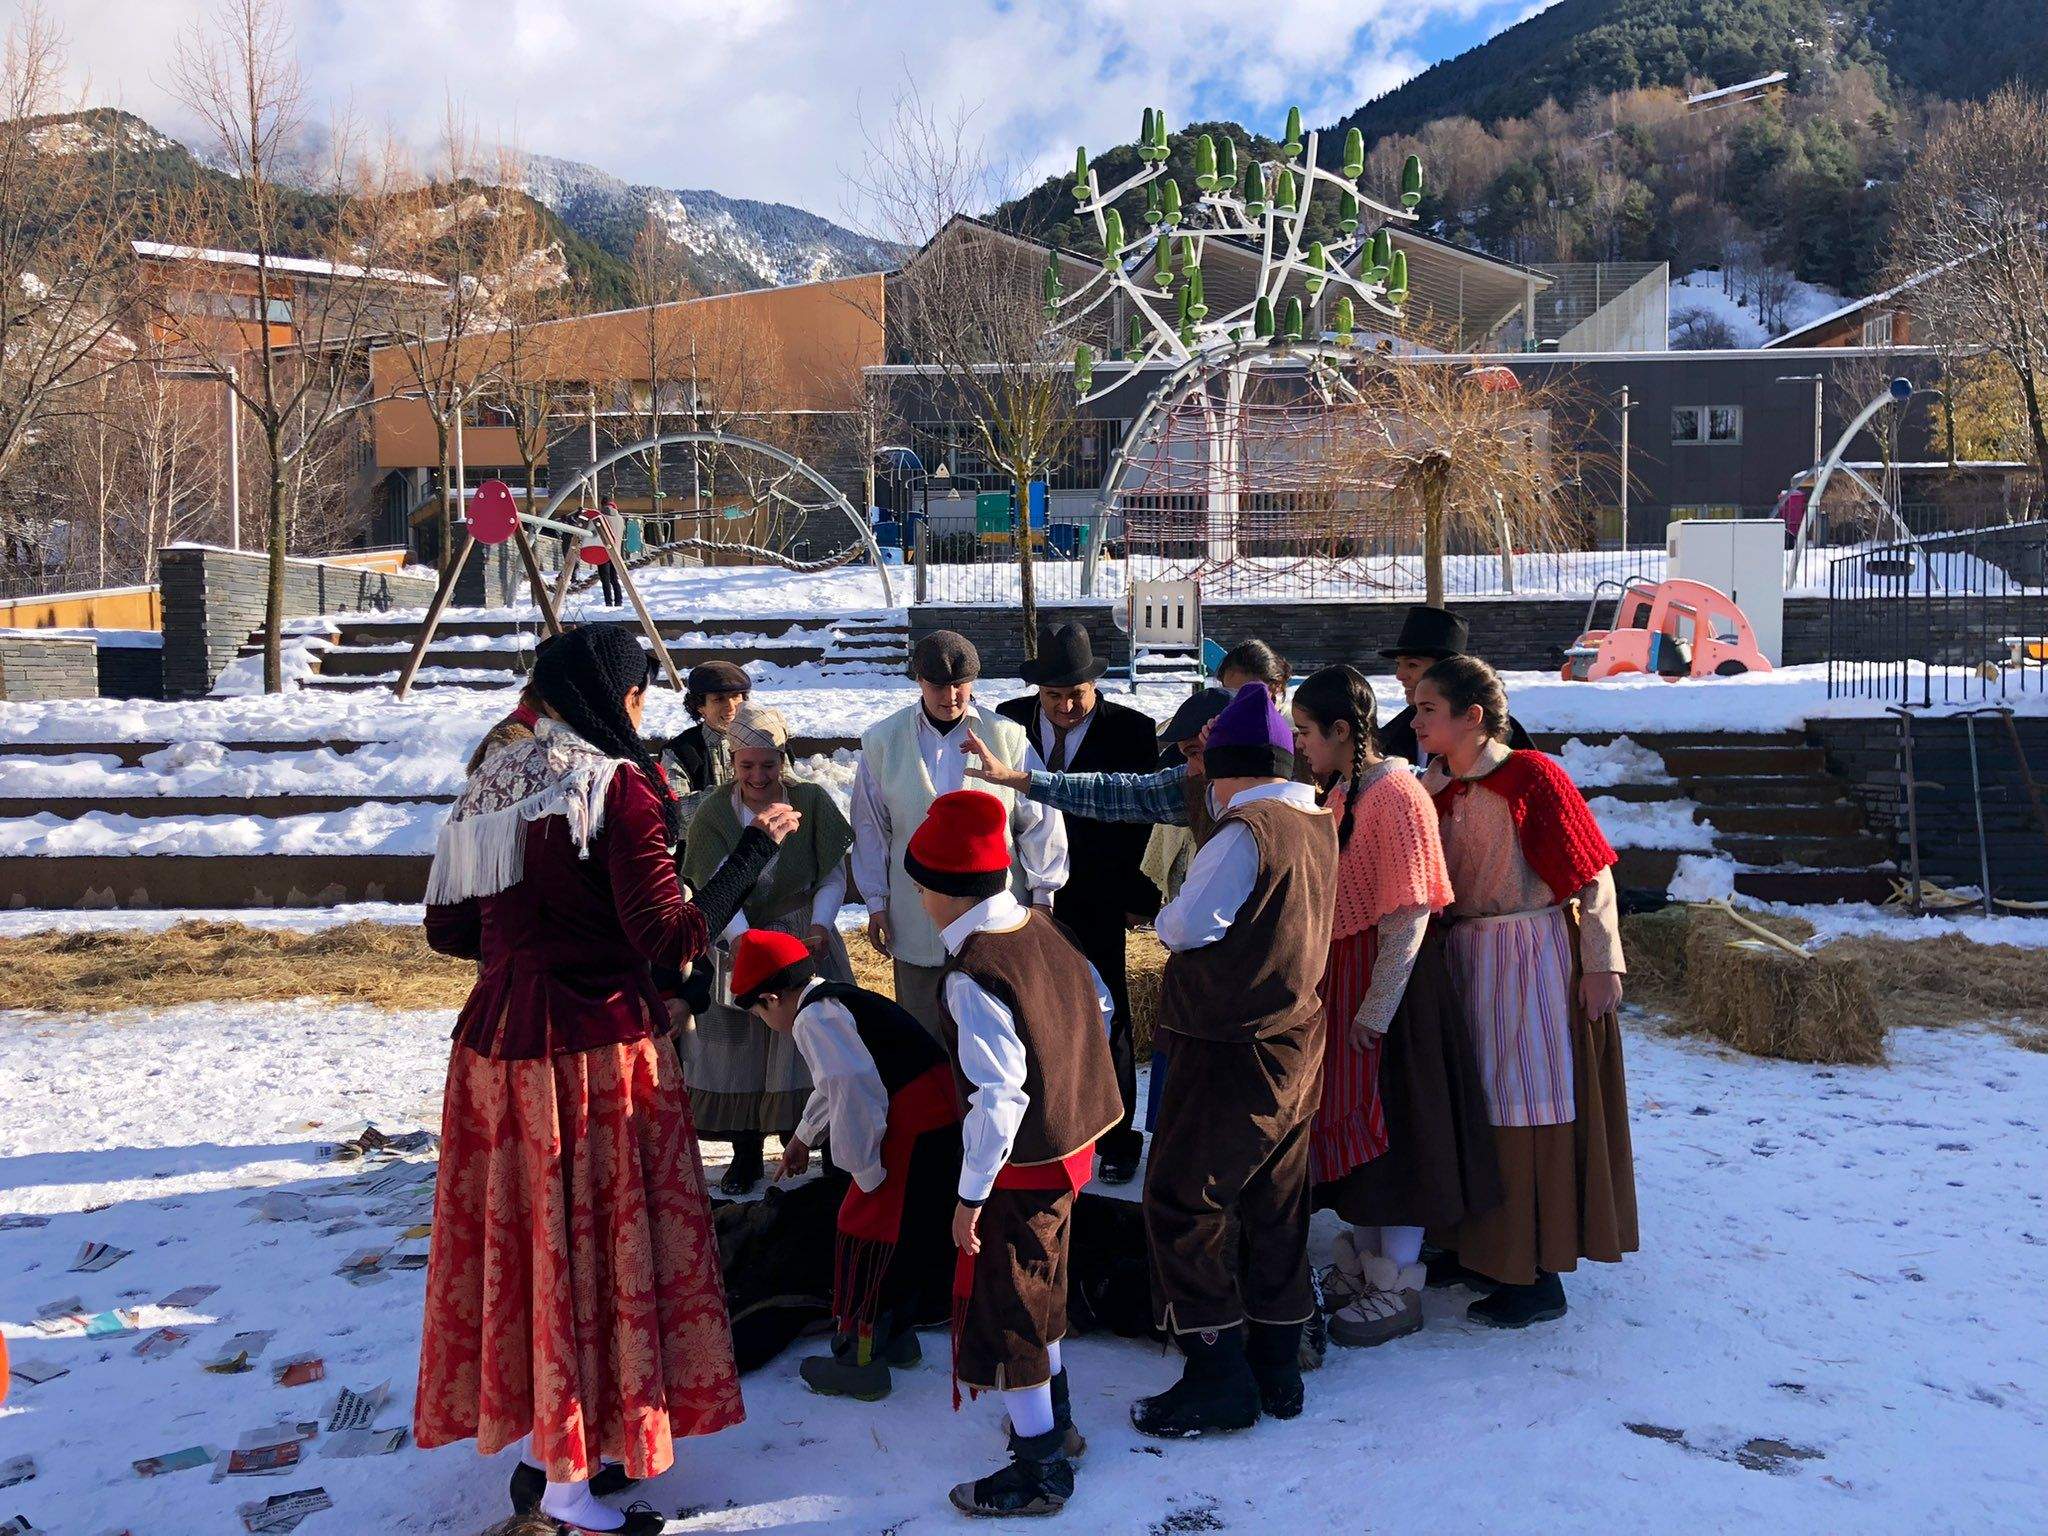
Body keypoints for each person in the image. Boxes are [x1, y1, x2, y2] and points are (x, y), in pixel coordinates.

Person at [416, 623, 800, 1535]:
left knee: (533, 1258)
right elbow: (668, 936)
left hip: (496, 1054)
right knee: (593, 1260)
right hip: (591, 1054)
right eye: (636, 696)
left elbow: (447, 930)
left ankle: (546, 1447)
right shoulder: (615, 787)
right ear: (609, 697)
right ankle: (569, 1488)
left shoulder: (495, 781)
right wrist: (749, 856)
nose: (641, 713)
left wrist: (532, 933)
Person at [1130, 683, 1337, 1439]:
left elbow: (1188, 925)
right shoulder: (1315, 816)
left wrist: (1162, 914)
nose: (1205, 786)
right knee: (1275, 1204)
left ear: (1236, 768)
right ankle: (1278, 1365)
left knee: (1186, 1202)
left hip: (1229, 1047)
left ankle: (1217, 1374)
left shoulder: (1248, 829)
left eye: (1210, 770)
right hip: (1293, 1042)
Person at [908, 789, 1121, 1518]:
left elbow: (998, 1098)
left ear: (937, 889)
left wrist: (969, 1196)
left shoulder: (972, 973)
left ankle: (1039, 1471)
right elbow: (1101, 1006)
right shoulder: (1046, 928)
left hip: (1022, 1166)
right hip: (1073, 1146)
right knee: (1044, 1284)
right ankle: (1054, 1428)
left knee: (1013, 1306)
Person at [1413, 655, 1638, 1328]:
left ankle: (1534, 1271)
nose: (1416, 718)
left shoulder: (1531, 777)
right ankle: (1474, 1246)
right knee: (1471, 1103)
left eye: (1428, 708)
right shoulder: (1433, 786)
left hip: (1529, 955)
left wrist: (1602, 963)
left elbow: (1593, 875)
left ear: (1471, 717)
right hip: (1464, 956)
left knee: (1524, 1110)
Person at [1288, 666, 1500, 1348]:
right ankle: (1366, 1264)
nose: (1300, 746)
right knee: (1361, 1131)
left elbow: (1407, 914)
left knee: (1400, 1126)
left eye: (1306, 733)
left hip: (1396, 990)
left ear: (1343, 731)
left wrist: (1377, 1011)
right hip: (1354, 984)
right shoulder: (1348, 791)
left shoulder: (1396, 795)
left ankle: (1399, 1281)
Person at [731, 927, 962, 1402]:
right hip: (937, 1120)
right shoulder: (834, 1001)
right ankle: (897, 1336)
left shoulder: (812, 1020)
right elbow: (834, 1085)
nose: (762, 1021)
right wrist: (802, 1137)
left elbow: (854, 1086)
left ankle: (859, 1362)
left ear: (773, 998)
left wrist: (863, 1169)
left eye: (757, 1012)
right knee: (905, 1231)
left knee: (862, 1230)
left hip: (911, 1124)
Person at [996, 621, 1159, 1185]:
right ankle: (1040, 1125)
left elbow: (1143, 819)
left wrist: (1134, 892)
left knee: (1106, 1009)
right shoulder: (1007, 721)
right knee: (1024, 1009)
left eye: (1076, 695)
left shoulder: (1134, 730)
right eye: (1054, 696)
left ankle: (1117, 1135)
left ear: (1097, 683)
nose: (1065, 706)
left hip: (1097, 891)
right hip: (1020, 895)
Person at [849, 629, 1067, 1039]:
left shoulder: (1006, 736)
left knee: (999, 1028)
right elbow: (871, 828)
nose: (950, 696)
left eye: (960, 686)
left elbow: (1038, 820)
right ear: (919, 681)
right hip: (916, 917)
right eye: (939, 686)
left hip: (995, 911)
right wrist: (876, 901)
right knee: (922, 1031)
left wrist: (1042, 897)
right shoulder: (883, 741)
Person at [681, 704, 853, 1195]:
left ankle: (818, 1145)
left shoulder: (813, 801)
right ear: (732, 762)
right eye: (747, 765)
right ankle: (746, 1152)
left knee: (806, 1039)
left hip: (801, 930)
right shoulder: (716, 811)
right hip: (738, 932)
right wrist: (741, 941)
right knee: (735, 1040)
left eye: (768, 765)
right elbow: (713, 882)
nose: (758, 776)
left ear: (783, 760)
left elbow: (831, 872)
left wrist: (821, 925)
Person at [1375, 606, 1533, 770]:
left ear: (1448, 669)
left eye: (1412, 665)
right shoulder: (1395, 733)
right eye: (1398, 664)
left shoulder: (1508, 740)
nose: (1399, 675)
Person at [662, 660, 752, 797]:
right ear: (700, 707)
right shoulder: (678, 752)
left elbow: (788, 788)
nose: (731, 707)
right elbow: (676, 805)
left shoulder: (765, 739)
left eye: (735, 696)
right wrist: (733, 796)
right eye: (719, 699)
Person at [585, 499, 626, 607]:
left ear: (602, 505)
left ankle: (608, 602)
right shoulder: (621, 519)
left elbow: (592, 531)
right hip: (616, 552)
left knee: (605, 579)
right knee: (614, 578)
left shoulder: (601, 517)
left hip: (602, 550)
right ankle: (619, 601)